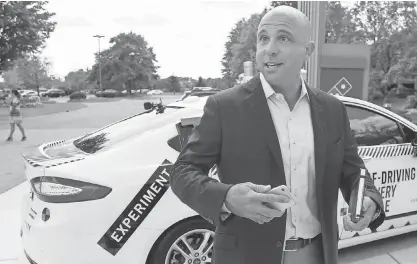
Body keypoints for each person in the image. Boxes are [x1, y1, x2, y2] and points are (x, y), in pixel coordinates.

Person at [170, 5, 385, 264]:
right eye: (263, 38)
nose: (269, 49)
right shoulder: (224, 106)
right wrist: (226, 197)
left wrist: (368, 199)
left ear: (308, 51)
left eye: (283, 38)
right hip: (246, 256)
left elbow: (354, 171)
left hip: (317, 254)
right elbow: (183, 171)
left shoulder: (332, 109)